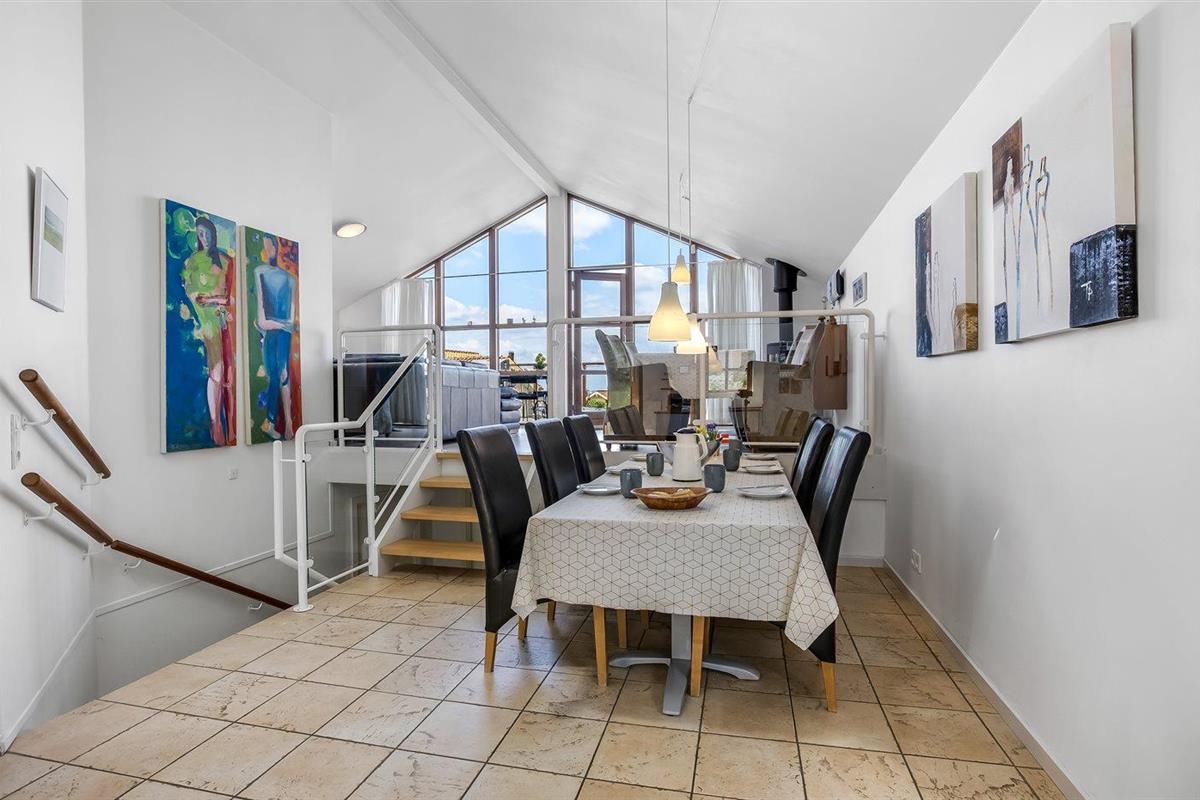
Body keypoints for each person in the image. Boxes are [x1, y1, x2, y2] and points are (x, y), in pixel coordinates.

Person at [182, 216, 236, 446]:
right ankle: (216, 425)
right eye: (200, 234)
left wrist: (214, 299)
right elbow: (194, 295)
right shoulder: (192, 262)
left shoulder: (226, 260)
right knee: (217, 372)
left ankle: (231, 427)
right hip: (208, 324)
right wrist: (217, 299)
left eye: (207, 233)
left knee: (230, 376)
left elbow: (231, 298)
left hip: (227, 322)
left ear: (213, 233)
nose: (204, 237)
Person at [254, 235, 296, 439]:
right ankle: (274, 421)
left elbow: (292, 319)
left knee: (282, 373)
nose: (268, 250)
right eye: (265, 247)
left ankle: (283, 422)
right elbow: (262, 320)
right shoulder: (260, 272)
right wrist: (282, 324)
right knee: (276, 374)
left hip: (281, 332)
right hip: (271, 332)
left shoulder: (290, 279)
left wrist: (283, 325)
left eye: (270, 246)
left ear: (276, 248)